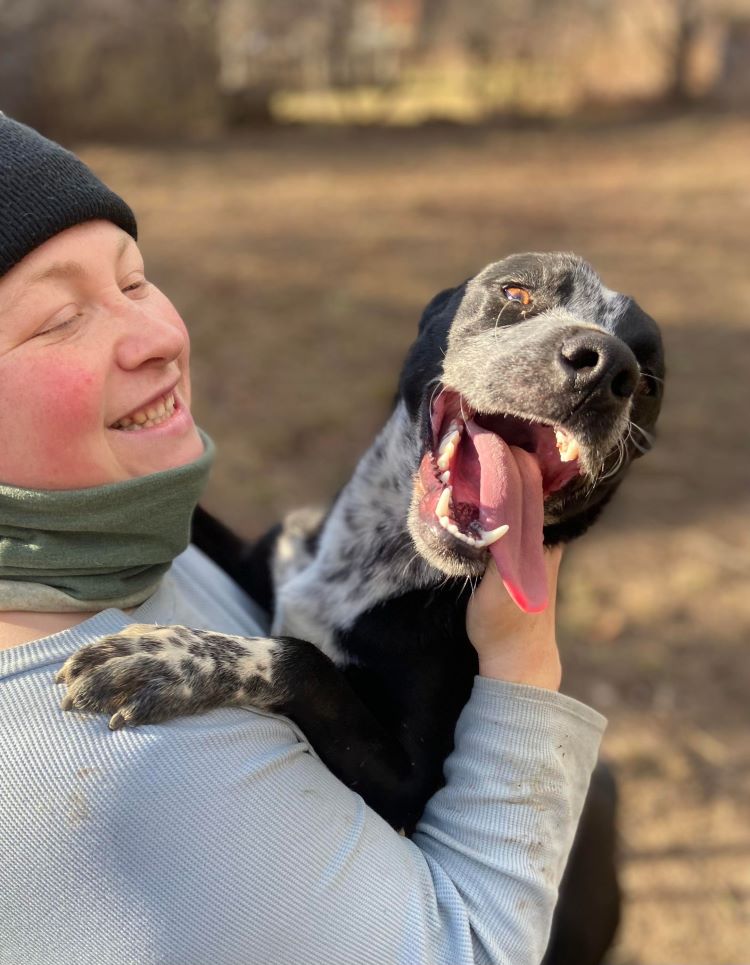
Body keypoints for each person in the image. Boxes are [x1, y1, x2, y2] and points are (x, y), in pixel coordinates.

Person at [0, 115, 605, 965]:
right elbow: (471, 948)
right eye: (60, 317)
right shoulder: (121, 773)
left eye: (136, 282)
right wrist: (525, 663)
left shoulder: (113, 527)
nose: (162, 334)